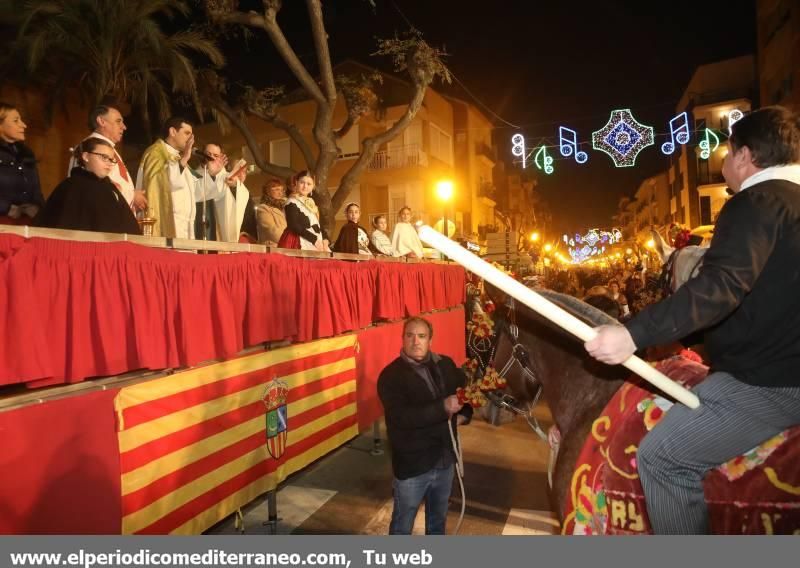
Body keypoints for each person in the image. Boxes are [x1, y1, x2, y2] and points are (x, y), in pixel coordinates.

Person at [584, 106, 800, 534]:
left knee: (661, 458)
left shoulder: (756, 203)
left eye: (726, 152)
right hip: (763, 367)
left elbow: (721, 286)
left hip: (772, 381)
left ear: (745, 156)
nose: (722, 163)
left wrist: (632, 334)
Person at [377, 317, 473, 535]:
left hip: (445, 462)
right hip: (413, 467)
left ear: (430, 339)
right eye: (410, 335)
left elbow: (466, 395)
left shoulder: (445, 365)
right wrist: (443, 407)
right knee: (402, 526)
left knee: (437, 524)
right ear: (402, 338)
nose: (415, 341)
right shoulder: (390, 376)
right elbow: (401, 417)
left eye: (421, 336)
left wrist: (463, 415)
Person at [36, 138, 141, 234]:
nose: (109, 163)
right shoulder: (71, 187)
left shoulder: (110, 188)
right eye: (104, 157)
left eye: (111, 159)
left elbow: (129, 226)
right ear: (86, 156)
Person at [68, 103, 147, 213]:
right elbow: (93, 187)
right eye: (118, 121)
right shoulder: (88, 148)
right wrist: (132, 195)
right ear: (101, 121)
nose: (124, 127)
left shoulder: (109, 148)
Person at [135, 116, 197, 239]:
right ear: (173, 132)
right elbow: (160, 182)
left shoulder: (179, 158)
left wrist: (212, 173)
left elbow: (195, 191)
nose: (190, 139)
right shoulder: (155, 152)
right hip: (168, 221)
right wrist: (184, 159)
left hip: (185, 225)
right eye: (186, 133)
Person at [193, 143, 250, 242]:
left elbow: (243, 195)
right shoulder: (193, 175)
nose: (211, 158)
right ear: (202, 154)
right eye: (208, 154)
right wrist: (210, 175)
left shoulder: (226, 176)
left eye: (215, 156)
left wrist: (235, 186)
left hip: (220, 227)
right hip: (199, 225)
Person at [0, 103, 44, 224]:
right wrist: (6, 208)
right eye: (16, 121)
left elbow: (37, 190)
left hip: (28, 223)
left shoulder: (27, 153)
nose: (23, 125)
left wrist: (38, 208)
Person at [278, 170, 330, 251]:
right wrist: (313, 239)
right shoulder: (292, 202)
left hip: (316, 241)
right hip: (297, 240)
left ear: (313, 186)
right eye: (302, 182)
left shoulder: (312, 204)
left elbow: (317, 224)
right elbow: (293, 225)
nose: (305, 186)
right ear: (296, 182)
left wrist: (325, 238)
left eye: (309, 184)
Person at [256, 178, 288, 246]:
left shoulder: (286, 206)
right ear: (268, 191)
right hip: (273, 248)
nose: (280, 192)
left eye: (282, 190)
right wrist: (289, 240)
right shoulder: (263, 208)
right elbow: (271, 231)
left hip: (287, 246)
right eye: (276, 189)